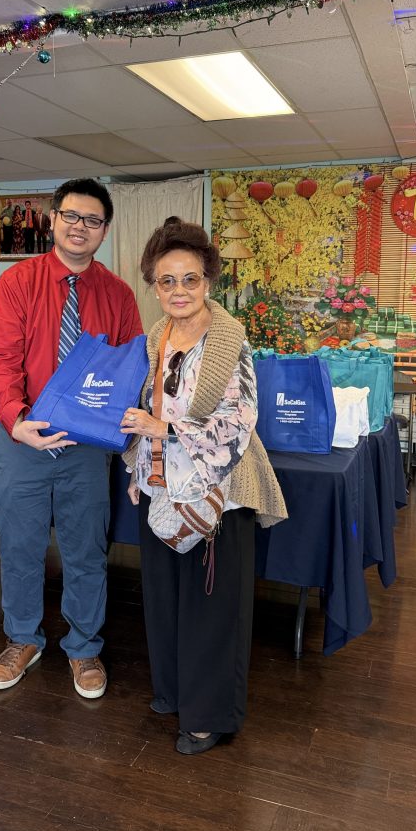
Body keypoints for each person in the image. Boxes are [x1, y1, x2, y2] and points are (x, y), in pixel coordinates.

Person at [121, 217, 286, 755]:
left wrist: (164, 430)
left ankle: (208, 716)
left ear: (208, 281)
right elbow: (144, 408)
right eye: (167, 280)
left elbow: (239, 421)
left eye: (189, 279)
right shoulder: (156, 338)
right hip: (161, 488)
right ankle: (174, 691)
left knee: (212, 610)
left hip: (217, 492)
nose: (179, 290)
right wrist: (137, 461)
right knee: (165, 599)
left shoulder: (229, 340)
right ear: (154, 286)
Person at [0, 178, 143, 699]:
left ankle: (83, 646)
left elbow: (128, 369)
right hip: (22, 440)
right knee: (20, 548)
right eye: (71, 216)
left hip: (87, 449)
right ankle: (22, 640)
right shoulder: (17, 283)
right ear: (52, 220)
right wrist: (16, 420)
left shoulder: (118, 294)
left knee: (85, 550)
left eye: (92, 220)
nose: (80, 227)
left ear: (104, 231)